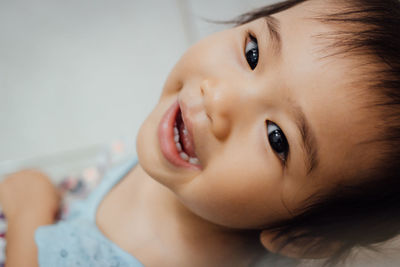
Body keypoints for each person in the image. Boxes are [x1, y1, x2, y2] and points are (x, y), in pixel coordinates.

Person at [1, 0, 400, 266]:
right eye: (253, 52)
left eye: (277, 137)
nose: (219, 98)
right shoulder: (190, 164)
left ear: (302, 241)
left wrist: (29, 209)